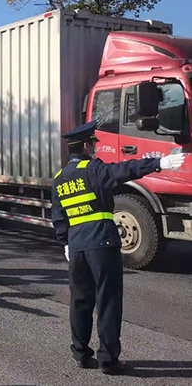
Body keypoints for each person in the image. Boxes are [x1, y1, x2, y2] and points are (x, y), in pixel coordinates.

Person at [51, 121, 185, 375]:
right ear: (87, 146)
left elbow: (58, 217)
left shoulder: (59, 179)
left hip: (77, 247)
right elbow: (126, 170)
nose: (95, 148)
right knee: (108, 301)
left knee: (80, 301)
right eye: (93, 144)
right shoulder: (94, 169)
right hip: (101, 244)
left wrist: (66, 242)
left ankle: (81, 354)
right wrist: (159, 163)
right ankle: (108, 359)